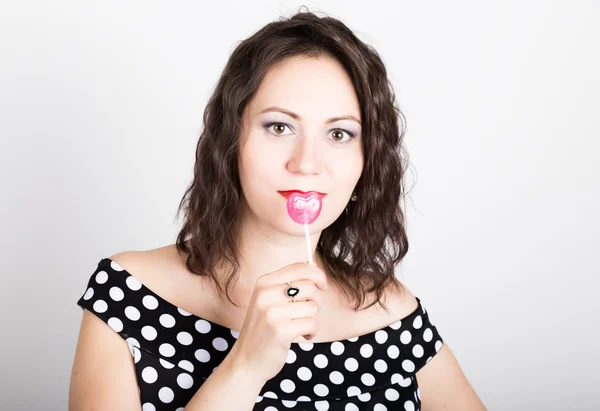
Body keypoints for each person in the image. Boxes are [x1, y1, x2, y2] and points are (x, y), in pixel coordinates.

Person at [69, 7, 486, 411]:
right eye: (279, 127)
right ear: (230, 142)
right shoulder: (126, 295)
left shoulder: (392, 313)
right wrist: (245, 367)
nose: (306, 163)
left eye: (339, 133)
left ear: (367, 163)